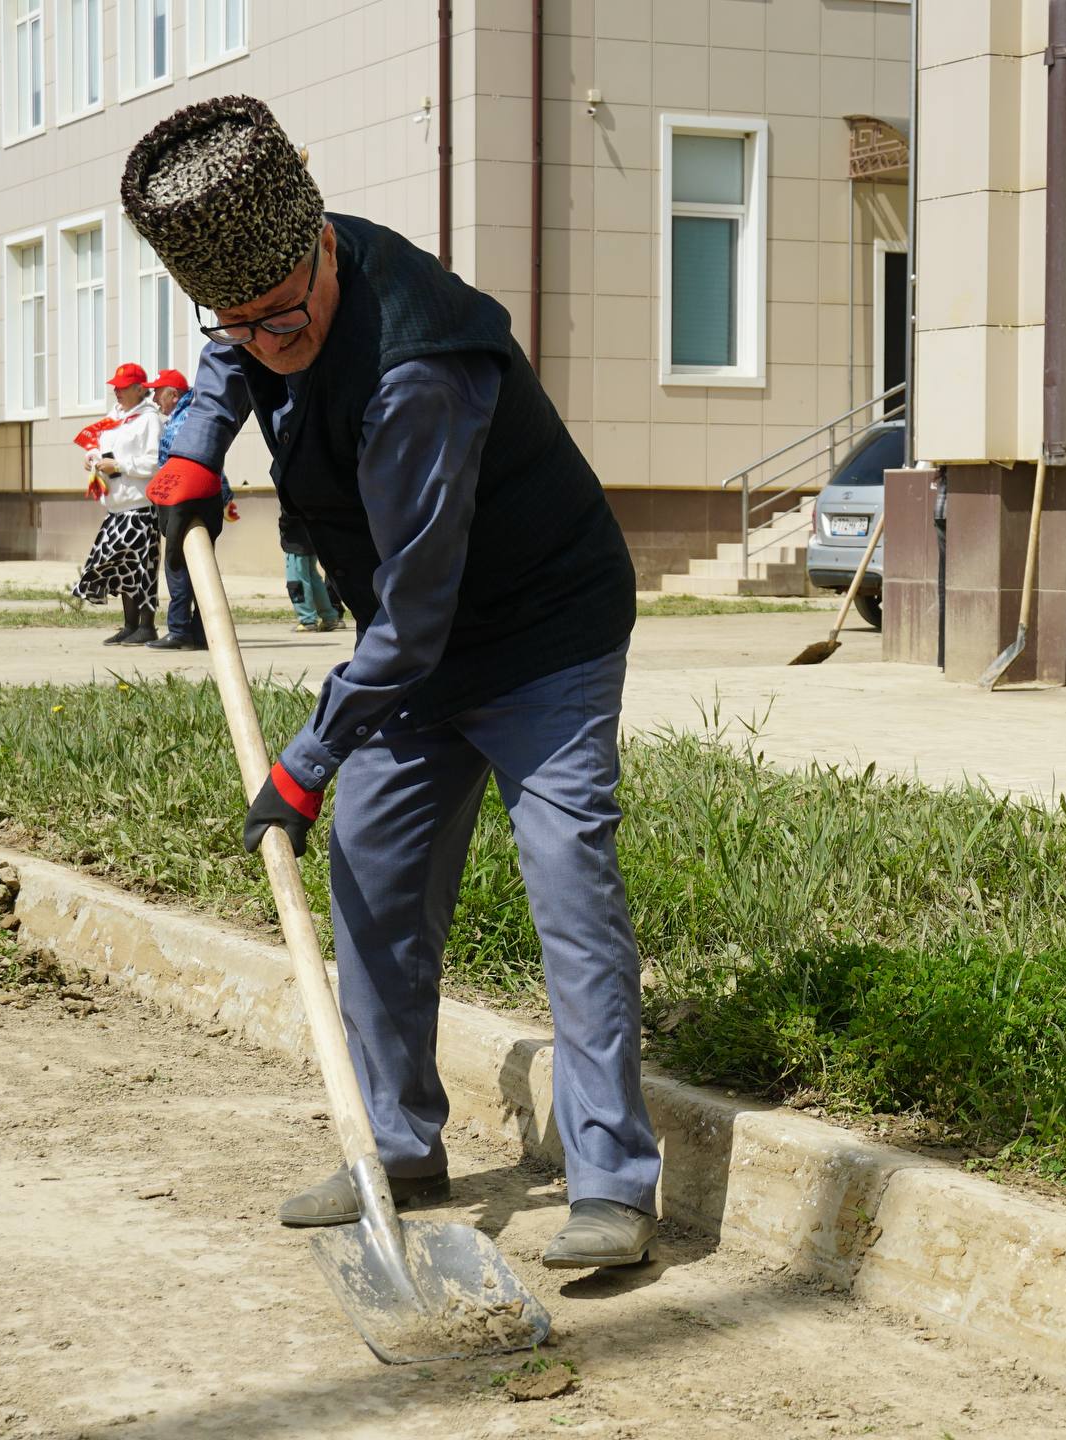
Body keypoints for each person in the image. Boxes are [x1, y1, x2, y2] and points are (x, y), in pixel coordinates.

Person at [124, 96, 657, 1268]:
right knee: (372, 873)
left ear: (321, 239)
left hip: (537, 637)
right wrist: (193, 452)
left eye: (281, 319)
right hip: (412, 656)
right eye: (238, 323)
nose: (266, 342)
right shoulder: (263, 299)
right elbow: (222, 359)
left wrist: (305, 759)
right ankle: (401, 1146)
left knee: (567, 880)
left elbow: (416, 619)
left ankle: (612, 1179)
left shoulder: (419, 365)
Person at [68, 363, 164, 646]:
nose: (116, 391)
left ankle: (146, 626)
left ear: (139, 389)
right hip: (116, 508)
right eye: (115, 387)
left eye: (122, 387)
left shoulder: (150, 420)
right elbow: (99, 444)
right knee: (120, 567)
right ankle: (129, 625)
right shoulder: (114, 417)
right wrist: (93, 456)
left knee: (141, 567)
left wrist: (120, 465)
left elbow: (155, 462)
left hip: (141, 508)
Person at [146, 366, 238, 652]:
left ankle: (179, 631)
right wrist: (224, 496)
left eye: (157, 392)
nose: (154, 399)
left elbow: (183, 461)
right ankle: (201, 632)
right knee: (201, 561)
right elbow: (210, 457)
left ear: (174, 394)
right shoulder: (199, 414)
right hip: (206, 492)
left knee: (177, 563)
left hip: (182, 494)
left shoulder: (179, 421)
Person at [279, 510, 342, 633]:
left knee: (297, 582)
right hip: (311, 539)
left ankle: (308, 620)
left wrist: (282, 525)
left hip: (295, 541)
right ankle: (329, 617)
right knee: (315, 580)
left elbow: (288, 514)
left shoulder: (291, 491)